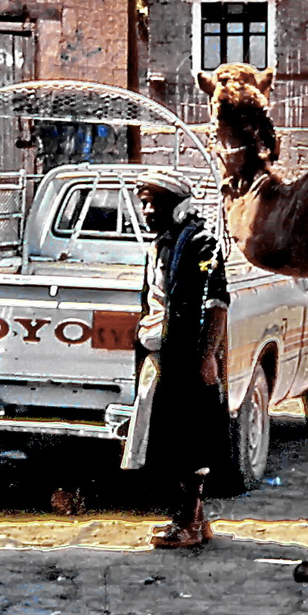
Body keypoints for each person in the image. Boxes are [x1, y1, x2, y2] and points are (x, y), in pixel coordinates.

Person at [121, 169, 229, 549]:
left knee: (188, 442)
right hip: (162, 354)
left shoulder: (200, 244)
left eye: (155, 202)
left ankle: (186, 523)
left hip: (186, 357)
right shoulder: (162, 244)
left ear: (177, 204)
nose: (147, 210)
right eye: (144, 202)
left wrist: (205, 358)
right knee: (169, 440)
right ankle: (195, 521)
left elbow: (217, 305)